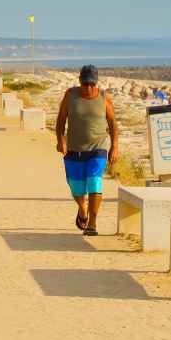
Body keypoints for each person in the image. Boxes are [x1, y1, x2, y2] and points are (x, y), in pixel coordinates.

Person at [54, 65, 118, 236]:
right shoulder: (70, 95)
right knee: (77, 188)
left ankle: (92, 224)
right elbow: (60, 121)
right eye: (85, 84)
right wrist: (61, 140)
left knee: (95, 181)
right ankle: (83, 208)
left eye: (92, 84)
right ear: (80, 82)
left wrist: (114, 147)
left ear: (96, 83)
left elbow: (112, 124)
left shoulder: (104, 97)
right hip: (74, 149)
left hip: (98, 148)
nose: (88, 88)